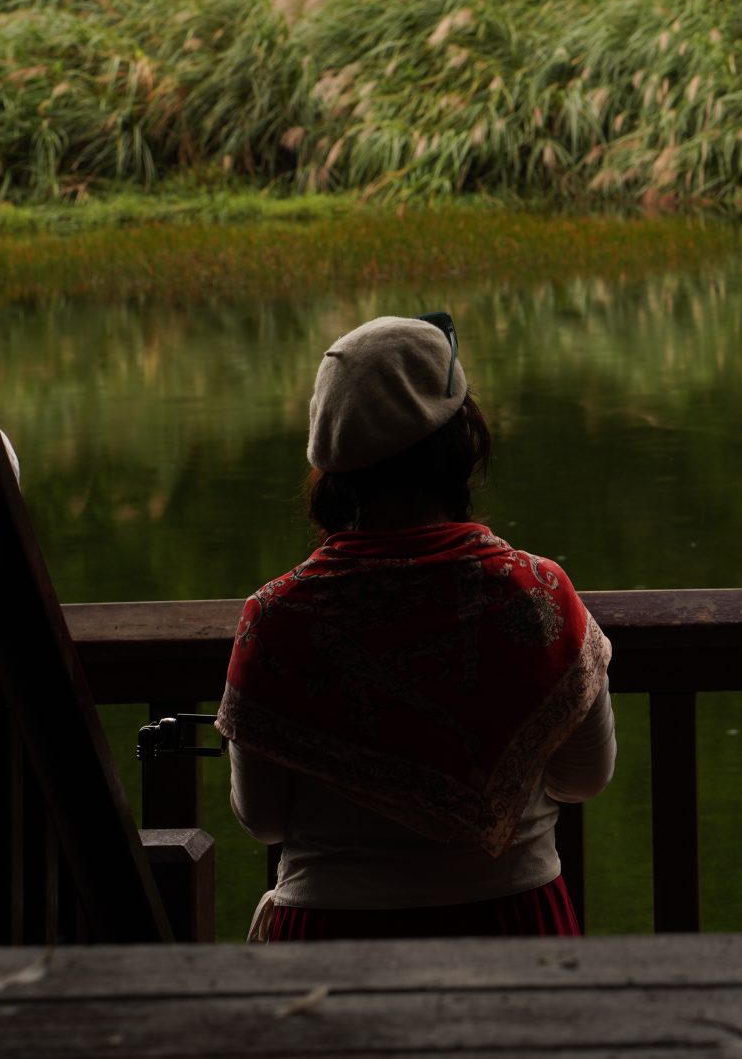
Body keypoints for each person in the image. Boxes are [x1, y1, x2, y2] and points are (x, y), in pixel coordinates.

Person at [217, 314, 614, 940]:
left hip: (332, 940)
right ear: (463, 445)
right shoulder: (535, 594)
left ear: (335, 469)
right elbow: (585, 777)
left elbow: (262, 818)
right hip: (513, 930)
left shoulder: (276, 618)